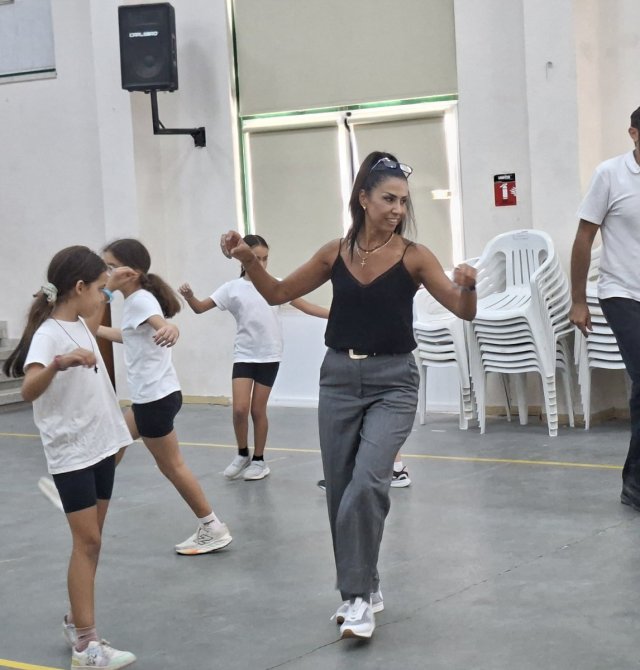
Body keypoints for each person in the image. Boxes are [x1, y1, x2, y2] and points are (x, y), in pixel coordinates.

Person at [221, 151, 477, 639]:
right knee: (340, 490)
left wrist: (469, 288)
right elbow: (276, 293)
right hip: (338, 378)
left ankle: (356, 598)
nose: (397, 209)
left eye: (403, 201)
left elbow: (462, 310)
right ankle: (365, 585)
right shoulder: (334, 253)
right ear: (363, 198)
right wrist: (248, 259)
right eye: (388, 199)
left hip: (394, 382)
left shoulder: (415, 256)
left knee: (367, 484)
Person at [3, 246, 136, 669]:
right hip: (73, 452)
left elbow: (92, 320)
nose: (101, 296)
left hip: (100, 444)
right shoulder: (48, 335)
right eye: (97, 288)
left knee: (92, 543)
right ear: (79, 287)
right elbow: (28, 389)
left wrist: (111, 290)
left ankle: (77, 621)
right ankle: (85, 645)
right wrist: (59, 364)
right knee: (88, 542)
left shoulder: (78, 322)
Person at [98, 238, 232, 556]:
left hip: (154, 400)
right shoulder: (136, 301)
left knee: (172, 466)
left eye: (110, 267)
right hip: (154, 396)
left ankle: (212, 526)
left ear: (130, 272)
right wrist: (91, 329)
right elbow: (129, 335)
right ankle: (89, 499)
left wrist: (172, 329)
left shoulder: (139, 300)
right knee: (113, 444)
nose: (105, 273)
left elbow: (162, 325)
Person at [178, 234, 328, 481]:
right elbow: (200, 307)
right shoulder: (232, 288)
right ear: (243, 258)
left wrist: (336, 313)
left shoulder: (276, 284)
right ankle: (242, 454)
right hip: (245, 354)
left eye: (265, 258)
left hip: (270, 355)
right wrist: (189, 297)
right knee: (239, 409)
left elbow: (307, 306)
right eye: (256, 258)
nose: (261, 263)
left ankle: (259, 460)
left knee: (258, 410)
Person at [570, 105, 640, 510]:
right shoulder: (610, 175)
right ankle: (636, 484)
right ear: (633, 134)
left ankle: (636, 479)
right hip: (621, 293)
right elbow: (584, 238)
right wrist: (579, 300)